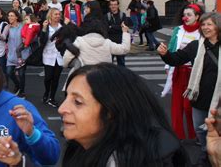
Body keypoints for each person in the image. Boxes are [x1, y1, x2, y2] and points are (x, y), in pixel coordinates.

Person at [56, 63, 190, 166]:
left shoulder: (149, 159)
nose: (62, 109)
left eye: (78, 102)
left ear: (111, 111)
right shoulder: (80, 149)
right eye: (66, 97)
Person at [157, 12, 221, 165]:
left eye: (209, 24)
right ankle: (208, 155)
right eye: (203, 24)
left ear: (218, 26)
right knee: (201, 131)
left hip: (219, 100)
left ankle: (210, 158)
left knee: (217, 133)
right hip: (199, 98)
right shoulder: (196, 46)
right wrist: (165, 54)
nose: (205, 27)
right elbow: (177, 59)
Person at [161, 4, 203, 140]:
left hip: (194, 73)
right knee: (176, 105)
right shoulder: (178, 30)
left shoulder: (203, 32)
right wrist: (168, 66)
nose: (185, 18)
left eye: (189, 15)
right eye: (184, 15)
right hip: (179, 70)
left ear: (197, 17)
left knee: (189, 107)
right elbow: (173, 48)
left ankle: (194, 134)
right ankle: (177, 134)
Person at [63, 1, 130, 70]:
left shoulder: (80, 41)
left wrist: (65, 64)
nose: (85, 10)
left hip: (86, 72)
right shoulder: (106, 40)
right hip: (104, 69)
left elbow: (67, 57)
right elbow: (125, 49)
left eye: (87, 8)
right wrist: (125, 32)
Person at [40, 8, 64, 108]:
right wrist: (44, 29)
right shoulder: (46, 27)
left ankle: (52, 97)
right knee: (48, 77)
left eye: (59, 14)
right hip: (48, 55)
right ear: (50, 16)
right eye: (55, 14)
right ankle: (46, 92)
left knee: (56, 78)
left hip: (59, 56)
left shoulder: (62, 27)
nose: (58, 16)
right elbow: (41, 41)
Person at [5, 10, 29, 98]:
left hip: (22, 55)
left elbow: (28, 36)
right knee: (9, 72)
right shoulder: (8, 27)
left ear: (16, 17)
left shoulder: (22, 26)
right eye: (9, 16)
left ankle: (22, 91)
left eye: (12, 15)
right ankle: (18, 85)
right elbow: (3, 37)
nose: (10, 17)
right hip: (11, 54)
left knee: (22, 74)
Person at [106, 0, 128, 66]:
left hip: (120, 43)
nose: (113, 6)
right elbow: (106, 28)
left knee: (121, 63)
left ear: (118, 5)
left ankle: (121, 76)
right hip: (110, 44)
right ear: (109, 6)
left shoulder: (123, 15)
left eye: (115, 4)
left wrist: (111, 26)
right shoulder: (106, 16)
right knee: (109, 65)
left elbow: (124, 28)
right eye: (111, 4)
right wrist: (118, 26)